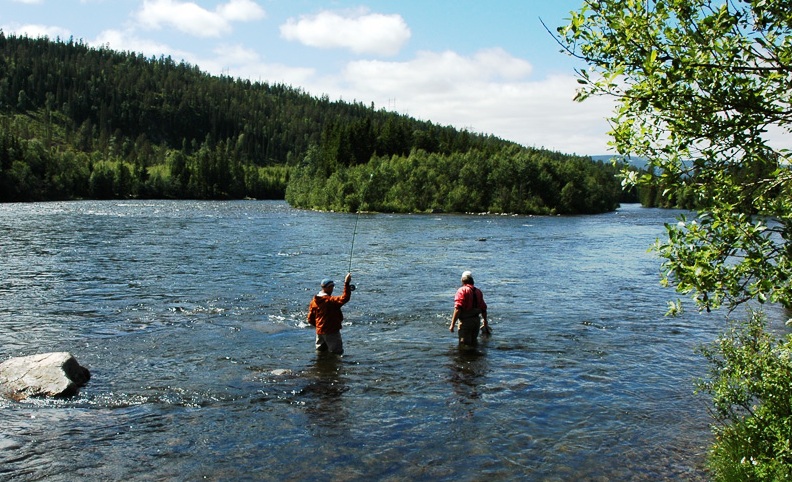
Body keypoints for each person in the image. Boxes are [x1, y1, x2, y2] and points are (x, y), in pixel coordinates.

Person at [307, 273, 352, 355]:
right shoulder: (330, 301)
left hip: (319, 332)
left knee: (320, 353)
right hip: (332, 331)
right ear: (328, 287)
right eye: (332, 287)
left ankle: (320, 367)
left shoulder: (313, 301)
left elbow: (310, 319)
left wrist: (319, 326)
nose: (333, 289)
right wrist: (346, 283)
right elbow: (345, 298)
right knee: (337, 353)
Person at [449, 270, 489, 347]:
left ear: (462, 281)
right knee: (474, 343)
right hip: (476, 321)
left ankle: (465, 358)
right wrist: (485, 321)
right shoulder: (478, 291)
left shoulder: (462, 290)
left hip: (466, 322)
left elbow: (458, 308)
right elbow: (483, 308)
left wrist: (452, 324)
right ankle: (474, 358)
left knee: (464, 345)